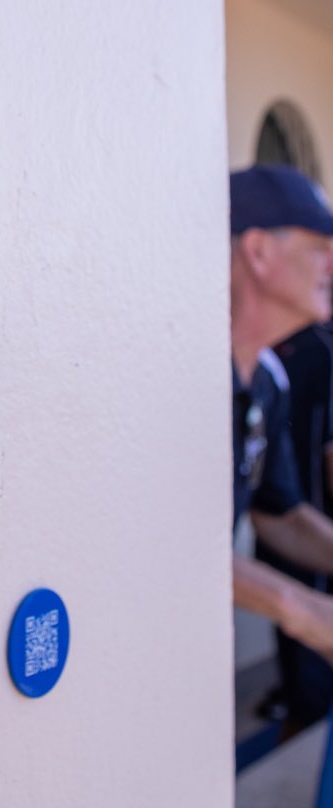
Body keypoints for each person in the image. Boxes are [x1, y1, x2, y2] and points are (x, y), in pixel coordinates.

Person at [230, 164, 333, 664]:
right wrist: (303, 610)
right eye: (319, 248)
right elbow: (161, 546)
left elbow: (280, 516)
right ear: (258, 251)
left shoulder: (267, 378)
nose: (331, 265)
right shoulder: (174, 377)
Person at [258, 319, 333, 731]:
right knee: (309, 701)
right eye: (321, 248)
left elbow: (277, 514)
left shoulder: (268, 369)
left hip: (295, 542)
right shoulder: (318, 350)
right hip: (300, 562)